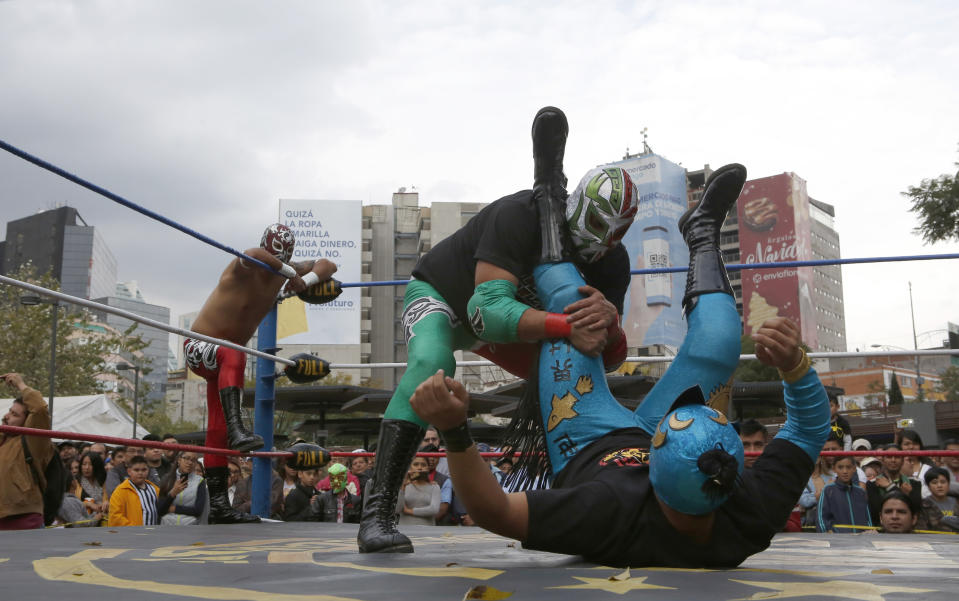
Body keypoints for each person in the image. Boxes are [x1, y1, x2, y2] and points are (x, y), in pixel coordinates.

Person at [410, 164, 832, 567]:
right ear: (732, 460)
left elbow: (495, 511)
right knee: (720, 340)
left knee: (574, 310)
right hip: (658, 460)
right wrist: (795, 366)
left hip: (585, 435)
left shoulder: (611, 513)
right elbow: (809, 430)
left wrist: (454, 431)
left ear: (652, 465)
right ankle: (701, 233)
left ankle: (548, 205)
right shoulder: (747, 510)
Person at [359, 108, 638, 553]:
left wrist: (609, 326)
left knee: (567, 375)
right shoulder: (518, 215)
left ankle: (565, 501)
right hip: (445, 298)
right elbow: (485, 312)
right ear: (578, 208)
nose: (606, 242)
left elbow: (609, 355)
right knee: (433, 362)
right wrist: (566, 323)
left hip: (512, 324)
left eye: (620, 233)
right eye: (601, 226)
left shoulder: (614, 261)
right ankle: (375, 512)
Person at [187, 223, 337, 523]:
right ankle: (237, 427)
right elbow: (252, 253)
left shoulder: (283, 273)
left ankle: (219, 507)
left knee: (215, 431)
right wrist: (289, 272)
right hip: (200, 347)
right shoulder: (245, 267)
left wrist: (304, 279)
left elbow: (328, 265)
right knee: (233, 350)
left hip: (228, 361)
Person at [0, 372, 54, 530]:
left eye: (14, 414)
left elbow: (39, 409)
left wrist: (20, 385)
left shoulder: (32, 440)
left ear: (27, 422)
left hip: (23, 517)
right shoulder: (4, 439)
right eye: (9, 411)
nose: (6, 416)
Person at [866, 443, 922, 525]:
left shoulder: (914, 483)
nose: (893, 460)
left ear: (903, 460)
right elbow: (878, 510)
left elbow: (915, 509)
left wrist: (889, 486)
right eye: (889, 457)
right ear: (883, 460)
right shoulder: (872, 483)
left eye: (897, 457)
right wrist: (903, 494)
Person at [816, 456, 872, 533]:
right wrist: (826, 534)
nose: (845, 471)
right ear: (834, 469)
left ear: (854, 469)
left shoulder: (860, 492)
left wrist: (870, 532)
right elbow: (821, 517)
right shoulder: (828, 490)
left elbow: (867, 518)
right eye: (840, 467)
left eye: (848, 467)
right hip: (838, 540)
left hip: (861, 540)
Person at [798, 433, 841, 526]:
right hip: (810, 525)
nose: (814, 455)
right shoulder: (800, 477)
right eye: (810, 452)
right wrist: (825, 492)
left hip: (833, 521)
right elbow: (804, 501)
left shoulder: (832, 475)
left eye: (816, 451)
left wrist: (815, 497)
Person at [157, 451, 209, 525]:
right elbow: (160, 510)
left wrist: (174, 509)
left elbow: (198, 510)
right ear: (179, 460)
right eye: (186, 458)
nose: (190, 462)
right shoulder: (167, 479)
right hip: (167, 526)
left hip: (190, 526)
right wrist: (172, 494)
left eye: (193, 460)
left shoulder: (200, 481)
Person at [108, 455, 160, 526]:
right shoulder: (120, 491)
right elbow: (115, 517)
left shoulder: (155, 489)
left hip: (154, 533)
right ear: (129, 471)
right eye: (136, 470)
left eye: (144, 470)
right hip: (132, 535)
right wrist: (134, 530)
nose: (140, 473)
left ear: (148, 470)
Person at [396, 456, 441, 526]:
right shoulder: (403, 485)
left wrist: (409, 511)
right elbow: (397, 509)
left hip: (428, 531)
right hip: (405, 530)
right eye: (416, 464)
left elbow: (434, 509)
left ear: (428, 468)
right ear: (410, 467)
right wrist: (403, 487)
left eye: (423, 465)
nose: (420, 468)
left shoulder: (434, 487)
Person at [917, 466, 959, 532]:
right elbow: (921, 530)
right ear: (928, 486)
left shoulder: (957, 502)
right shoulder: (923, 505)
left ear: (948, 483)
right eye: (934, 482)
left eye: (943, 482)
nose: (939, 485)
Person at [897, 429, 932, 497]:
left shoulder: (928, 468)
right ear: (900, 446)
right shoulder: (895, 468)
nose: (911, 447)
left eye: (915, 444)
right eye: (907, 444)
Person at [78, 451, 109, 520]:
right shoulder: (75, 481)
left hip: (103, 519)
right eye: (84, 464)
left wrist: (106, 502)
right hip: (83, 520)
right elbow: (70, 503)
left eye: (91, 464)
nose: (87, 467)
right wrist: (88, 504)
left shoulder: (104, 481)